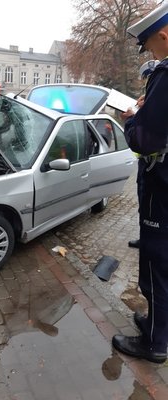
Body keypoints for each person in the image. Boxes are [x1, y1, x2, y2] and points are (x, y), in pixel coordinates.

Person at [112, 2, 168, 364]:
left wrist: (132, 119)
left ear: (163, 35)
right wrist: (150, 110)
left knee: (156, 264)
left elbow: (145, 141)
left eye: (148, 44)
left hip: (162, 190)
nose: (148, 51)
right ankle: (155, 323)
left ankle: (155, 342)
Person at [128, 59, 160, 249]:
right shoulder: (150, 98)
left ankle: (150, 239)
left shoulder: (157, 99)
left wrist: (136, 115)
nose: (147, 83)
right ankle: (145, 236)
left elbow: (144, 134)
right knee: (145, 203)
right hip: (146, 164)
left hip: (155, 164)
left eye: (148, 79)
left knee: (152, 205)